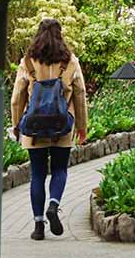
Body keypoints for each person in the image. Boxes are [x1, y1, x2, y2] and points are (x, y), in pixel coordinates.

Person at [10, 17, 89, 242]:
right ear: (60, 35)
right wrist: (81, 126)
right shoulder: (70, 61)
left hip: (34, 128)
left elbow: (17, 98)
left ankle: (38, 226)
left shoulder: (28, 62)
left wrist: (17, 125)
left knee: (37, 174)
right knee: (60, 170)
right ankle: (53, 205)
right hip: (62, 126)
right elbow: (80, 94)